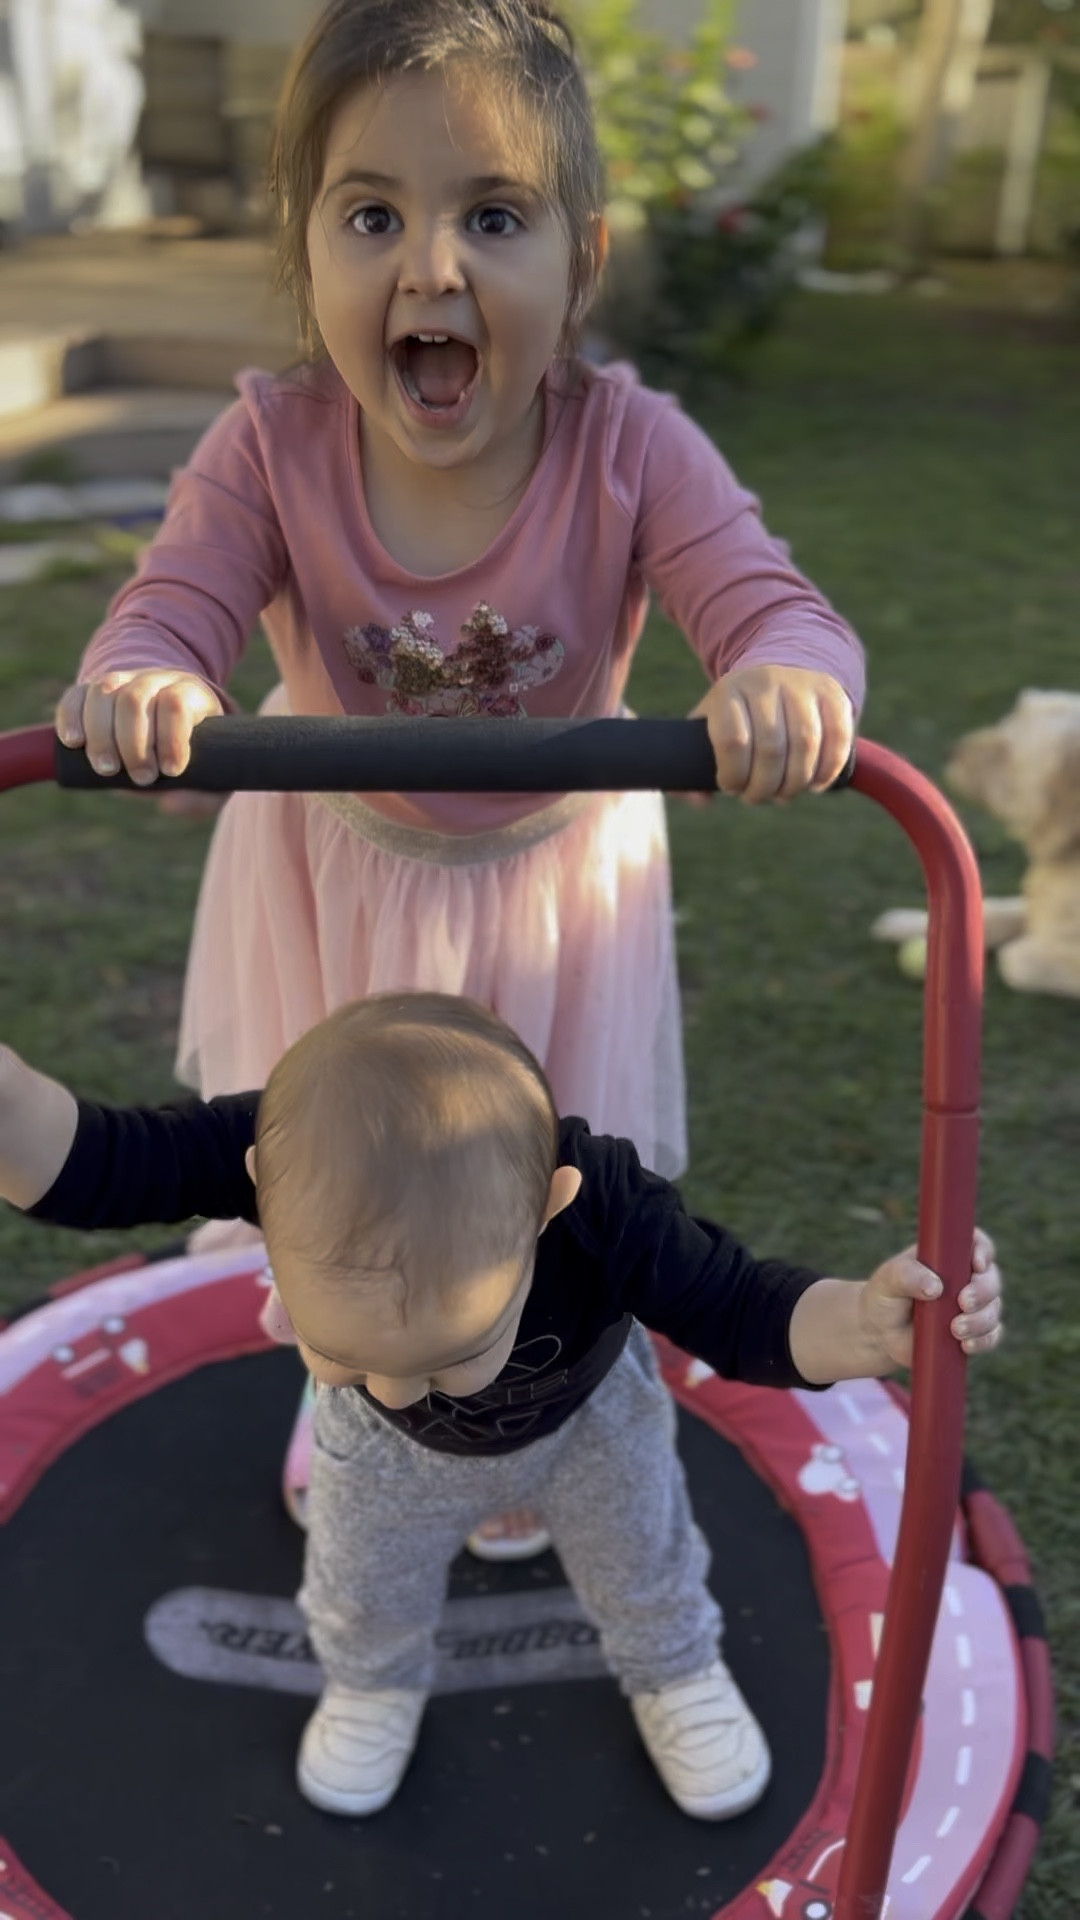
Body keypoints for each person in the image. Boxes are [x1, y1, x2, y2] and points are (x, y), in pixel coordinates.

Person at [53, 0, 866, 1549]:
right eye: (374, 215)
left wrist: (781, 678)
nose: (432, 266)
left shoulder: (630, 447)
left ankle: (534, 1418)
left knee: (533, 1179)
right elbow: (179, 596)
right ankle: (353, 1391)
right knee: (340, 1174)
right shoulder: (269, 446)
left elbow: (774, 606)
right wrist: (152, 668)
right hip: (337, 882)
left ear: (584, 264)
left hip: (553, 899)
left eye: (493, 216)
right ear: (307, 259)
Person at [0, 994, 1002, 1823]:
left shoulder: (605, 1201)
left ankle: (673, 1669)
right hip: (382, 1461)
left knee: (643, 1557)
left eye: (447, 1353)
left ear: (545, 1209)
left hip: (589, 1428)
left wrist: (870, 1328)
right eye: (345, 1351)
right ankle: (375, 1681)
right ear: (264, 1185)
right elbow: (94, 1163)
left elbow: (745, 1313)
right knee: (361, 1583)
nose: (396, 1383)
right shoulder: (283, 1147)